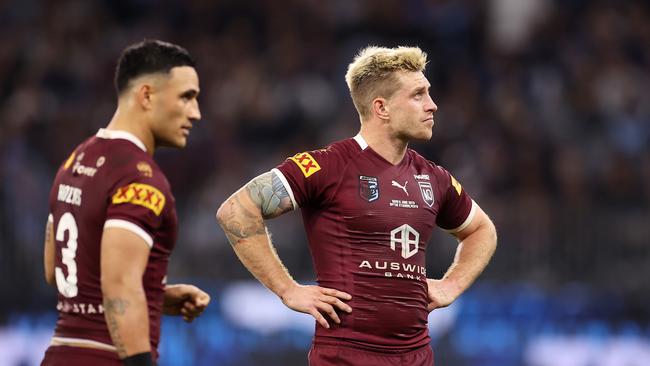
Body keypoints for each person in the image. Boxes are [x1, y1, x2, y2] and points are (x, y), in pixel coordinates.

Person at [216, 45, 497, 366]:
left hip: (417, 357)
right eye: (418, 95)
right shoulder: (327, 166)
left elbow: (481, 230)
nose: (432, 105)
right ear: (382, 108)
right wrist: (287, 289)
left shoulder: (434, 178)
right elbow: (237, 210)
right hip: (345, 356)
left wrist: (452, 284)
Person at [41, 39, 211, 366]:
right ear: (147, 95)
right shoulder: (139, 178)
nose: (196, 113)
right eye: (186, 97)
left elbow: (56, 268)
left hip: (59, 354)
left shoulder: (75, 160)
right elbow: (119, 286)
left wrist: (152, 295)